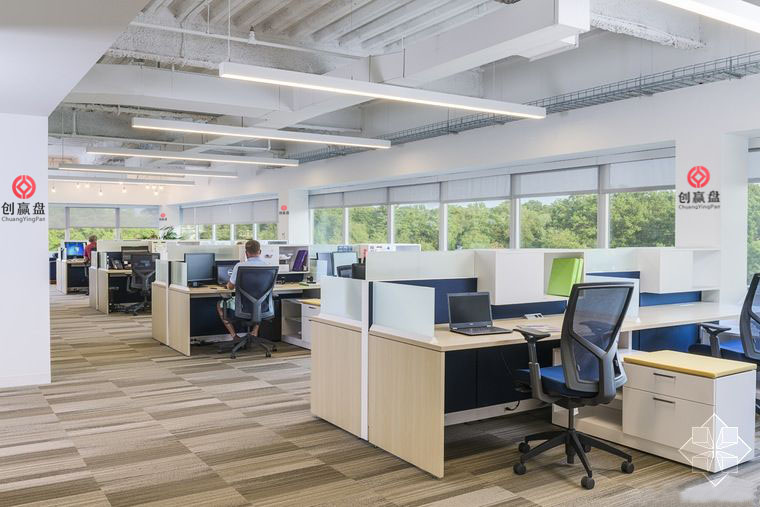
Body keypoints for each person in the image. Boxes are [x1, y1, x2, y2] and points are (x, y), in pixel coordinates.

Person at [216, 240, 269, 341]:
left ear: (246, 253)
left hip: (243, 308)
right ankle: (255, 331)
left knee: (220, 305)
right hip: (263, 307)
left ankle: (234, 336)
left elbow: (230, 287)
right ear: (260, 252)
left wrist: (227, 285)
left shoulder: (240, 266)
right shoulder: (268, 266)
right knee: (259, 303)